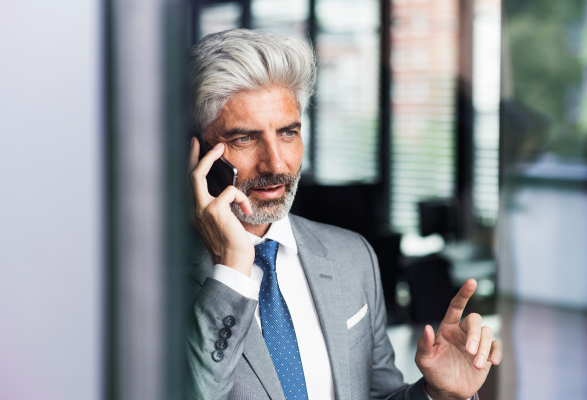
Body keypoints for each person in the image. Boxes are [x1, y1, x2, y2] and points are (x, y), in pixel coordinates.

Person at [186, 29, 502, 400]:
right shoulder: (149, 282)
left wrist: (439, 394)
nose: (276, 162)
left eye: (288, 133)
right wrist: (232, 272)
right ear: (198, 153)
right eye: (244, 138)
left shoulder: (352, 258)